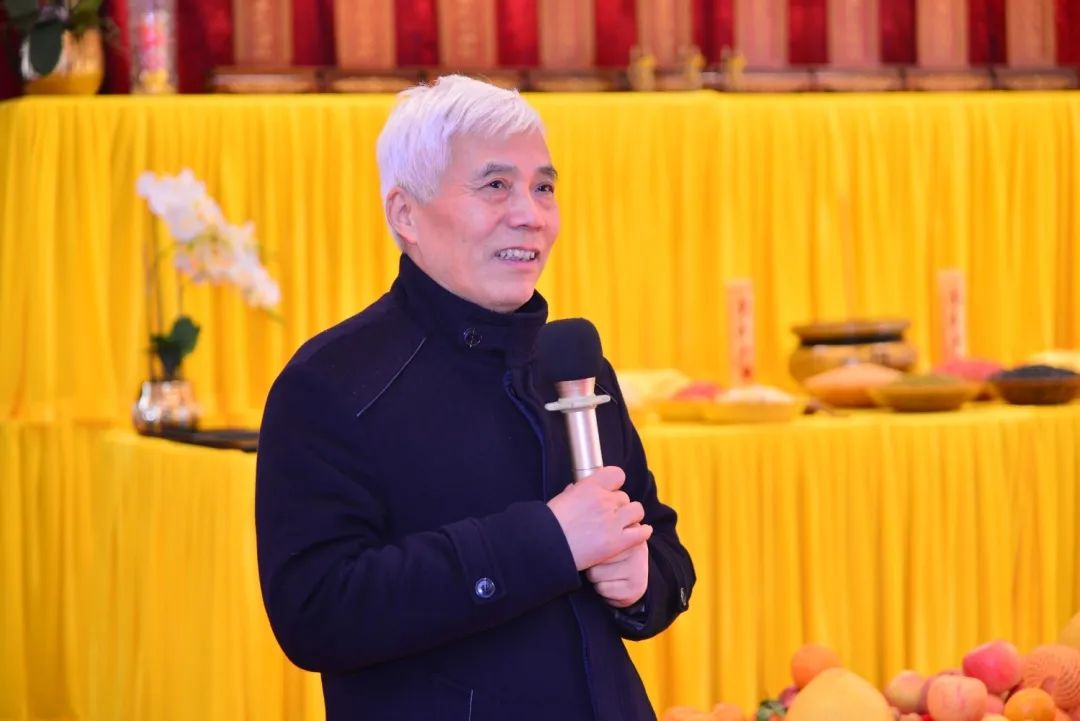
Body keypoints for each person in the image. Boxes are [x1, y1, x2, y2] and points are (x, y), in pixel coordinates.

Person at [255, 74, 695, 721]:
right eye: (495, 186)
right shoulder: (331, 383)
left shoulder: (572, 363)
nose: (531, 214)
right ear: (405, 214)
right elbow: (317, 611)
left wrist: (642, 582)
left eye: (543, 187)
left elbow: (661, 543)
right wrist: (546, 541)